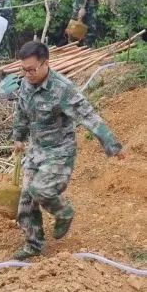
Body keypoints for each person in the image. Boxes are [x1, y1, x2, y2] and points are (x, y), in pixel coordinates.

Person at [12, 41, 124, 260]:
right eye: (23, 69)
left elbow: (88, 116)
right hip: (36, 151)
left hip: (59, 151)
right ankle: (34, 245)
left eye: (31, 69)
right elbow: (21, 112)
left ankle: (64, 212)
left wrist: (112, 145)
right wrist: (18, 137)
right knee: (25, 203)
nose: (27, 74)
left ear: (46, 64)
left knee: (41, 190)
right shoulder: (26, 83)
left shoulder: (63, 89)